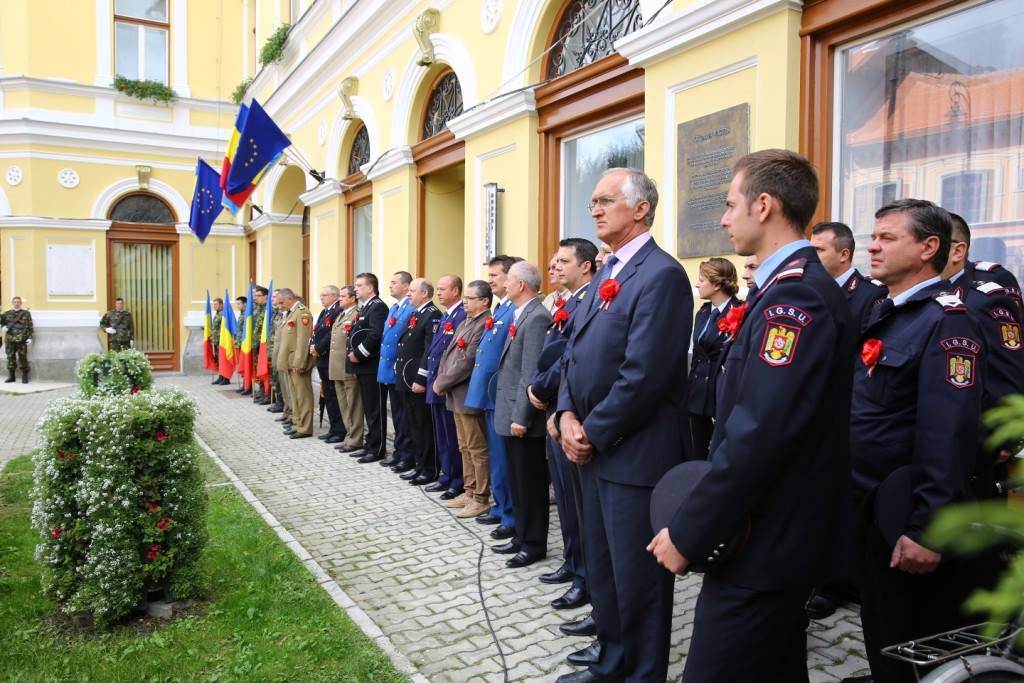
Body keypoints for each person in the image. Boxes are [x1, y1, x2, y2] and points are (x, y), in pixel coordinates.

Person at [648, 150, 854, 683]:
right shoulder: (789, 290)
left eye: (730, 203)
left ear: (764, 206)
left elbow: (757, 433)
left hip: (766, 544)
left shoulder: (795, 301)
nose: (722, 218)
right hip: (777, 539)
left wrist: (690, 532)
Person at [557, 168, 693, 683]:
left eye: (605, 201)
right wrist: (567, 413)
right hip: (594, 449)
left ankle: (640, 673)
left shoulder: (661, 275)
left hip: (634, 457)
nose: (594, 210)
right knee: (607, 573)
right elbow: (575, 353)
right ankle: (612, 663)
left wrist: (589, 430)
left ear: (640, 209)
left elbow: (645, 375)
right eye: (592, 201)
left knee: (638, 581)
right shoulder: (607, 273)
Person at [848, 199, 984, 683]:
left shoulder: (947, 322)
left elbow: (948, 433)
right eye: (874, 236)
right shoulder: (890, 311)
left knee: (914, 652)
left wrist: (928, 528)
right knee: (883, 640)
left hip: (907, 519)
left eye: (887, 237)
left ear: (929, 247)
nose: (873, 246)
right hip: (872, 512)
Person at [528, 237, 596, 615]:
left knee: (579, 500)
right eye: (553, 262)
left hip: (568, 411)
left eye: (563, 261)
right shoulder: (566, 303)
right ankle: (573, 562)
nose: (554, 268)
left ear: (585, 266)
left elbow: (572, 356)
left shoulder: (588, 302)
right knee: (567, 501)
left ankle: (586, 576)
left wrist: (540, 386)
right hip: (556, 409)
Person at [493, 261, 552, 569]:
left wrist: (522, 416)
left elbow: (531, 371)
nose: (504, 284)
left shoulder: (537, 317)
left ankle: (533, 543)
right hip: (510, 410)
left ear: (521, 285)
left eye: (509, 280)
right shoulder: (521, 313)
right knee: (517, 480)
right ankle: (520, 534)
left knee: (530, 483)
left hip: (524, 418)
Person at [467, 255, 522, 530]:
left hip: (501, 394)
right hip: (490, 394)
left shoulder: (515, 309)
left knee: (504, 460)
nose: (490, 281)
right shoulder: (501, 308)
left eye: (495, 276)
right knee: (498, 459)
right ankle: (501, 507)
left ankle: (510, 514)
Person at [434, 281, 493, 519]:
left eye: (470, 298)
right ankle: (469, 491)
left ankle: (481, 496)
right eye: (465, 298)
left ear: (484, 301)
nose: (465, 302)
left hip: (468, 393)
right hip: (456, 394)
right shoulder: (467, 321)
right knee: (464, 446)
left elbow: (467, 360)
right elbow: (449, 353)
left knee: (477, 448)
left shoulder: (483, 323)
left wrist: (443, 381)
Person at [687, 258, 742, 460]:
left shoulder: (739, 312)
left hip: (720, 395)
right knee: (697, 453)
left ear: (717, 283)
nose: (696, 284)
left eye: (701, 280)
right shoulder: (703, 312)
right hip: (698, 395)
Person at [423, 274, 467, 500]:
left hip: (448, 385)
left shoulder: (461, 315)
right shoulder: (447, 315)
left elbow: (457, 354)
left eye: (442, 289)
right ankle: (446, 475)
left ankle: (456, 480)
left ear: (455, 291)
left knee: (452, 436)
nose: (438, 293)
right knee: (442, 434)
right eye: (437, 289)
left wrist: (443, 381)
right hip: (436, 381)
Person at [395, 278, 441, 486]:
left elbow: (428, 351)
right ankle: (419, 464)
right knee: (413, 424)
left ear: (424, 294)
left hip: (417, 381)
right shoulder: (417, 313)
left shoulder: (432, 315)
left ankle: (429, 468)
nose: (408, 294)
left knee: (423, 427)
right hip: (407, 378)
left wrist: (421, 378)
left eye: (412, 291)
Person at [810, 221, 887, 333]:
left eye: (819, 250)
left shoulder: (872, 294)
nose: (811, 256)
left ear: (843, 255)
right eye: (811, 250)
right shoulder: (809, 289)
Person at [347, 273, 390, 463]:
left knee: (375, 409)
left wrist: (358, 353)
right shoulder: (366, 307)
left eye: (359, 285)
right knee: (368, 408)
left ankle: (378, 448)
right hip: (364, 367)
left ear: (370, 288)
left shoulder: (378, 307)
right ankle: (370, 444)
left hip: (371, 365)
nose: (355, 289)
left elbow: (375, 335)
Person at [378, 272, 418, 472]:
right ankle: (399, 452)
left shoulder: (411, 309)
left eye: (394, 282)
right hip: (390, 369)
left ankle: (407, 455)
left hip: (401, 369)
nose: (390, 285)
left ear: (406, 286)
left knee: (405, 416)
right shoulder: (394, 308)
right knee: (398, 414)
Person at [329, 286, 365, 456]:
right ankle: (349, 436)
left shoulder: (356, 313)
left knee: (353, 405)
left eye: (343, 296)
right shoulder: (341, 314)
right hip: (337, 367)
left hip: (348, 368)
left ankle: (356, 439)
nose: (339, 299)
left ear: (352, 299)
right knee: (343, 404)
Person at [277, 288, 316, 439]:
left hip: (297, 362)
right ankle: (297, 423)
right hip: (290, 361)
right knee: (295, 396)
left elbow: (303, 340)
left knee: (303, 396)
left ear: (290, 298)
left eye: (281, 302)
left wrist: (300, 362)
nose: (280, 306)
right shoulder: (291, 313)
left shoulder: (302, 312)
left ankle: (305, 428)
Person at [312, 285, 346, 444]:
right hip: (322, 359)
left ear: (334, 296)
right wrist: (312, 345)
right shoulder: (324, 312)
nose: (321, 298)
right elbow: (317, 331)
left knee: (334, 396)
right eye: (321, 295)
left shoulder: (338, 311)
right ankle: (333, 428)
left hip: (330, 359)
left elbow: (331, 334)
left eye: (324, 295)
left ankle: (339, 430)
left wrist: (318, 348)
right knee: (329, 396)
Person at [1, 296, 33, 384]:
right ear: (12, 303)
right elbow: (2, 323)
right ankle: (11, 376)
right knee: (10, 357)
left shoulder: (26, 313)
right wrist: (3, 327)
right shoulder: (6, 314)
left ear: (21, 303)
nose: (17, 303)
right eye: (15, 302)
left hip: (22, 339)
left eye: (18, 302)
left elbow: (30, 326)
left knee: (23, 357)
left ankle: (25, 375)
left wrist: (30, 337)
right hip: (10, 339)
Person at [252, 286, 270, 404]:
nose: (256, 298)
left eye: (258, 296)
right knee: (258, 368)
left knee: (264, 368)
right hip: (256, 343)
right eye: (255, 296)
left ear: (265, 296)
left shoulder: (268, 310)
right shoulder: (256, 309)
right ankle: (261, 390)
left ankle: (267, 394)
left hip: (264, 344)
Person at [211, 297, 227, 385]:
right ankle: (221, 377)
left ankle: (226, 378)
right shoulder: (217, 314)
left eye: (216, 304)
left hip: (222, 341)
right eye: (214, 304)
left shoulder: (223, 315)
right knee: (218, 359)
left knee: (223, 359)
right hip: (217, 341)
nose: (214, 306)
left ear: (221, 305)